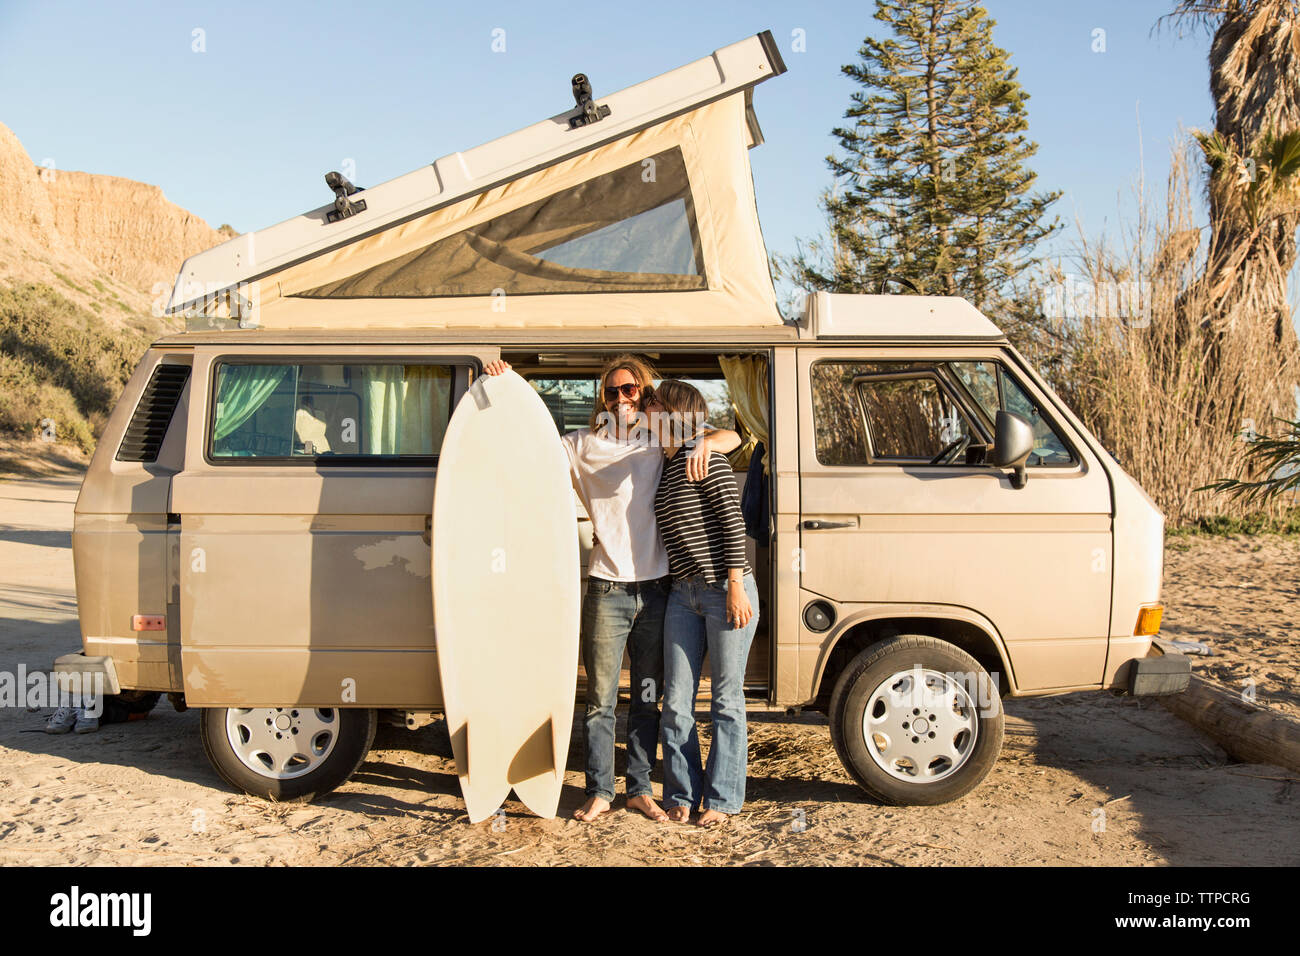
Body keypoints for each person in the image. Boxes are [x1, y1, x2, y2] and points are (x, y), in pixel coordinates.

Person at [483, 356, 739, 823]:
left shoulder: (660, 441)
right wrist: (504, 386)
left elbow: (735, 436)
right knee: (600, 700)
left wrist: (709, 442)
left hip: (662, 588)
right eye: (612, 391)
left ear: (647, 395)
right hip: (607, 587)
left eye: (631, 390)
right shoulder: (581, 445)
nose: (621, 398)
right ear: (602, 399)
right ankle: (600, 789)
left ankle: (640, 789)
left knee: (647, 698)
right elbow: (526, 452)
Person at [647, 380, 759, 827]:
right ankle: (681, 792)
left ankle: (723, 798)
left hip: (725, 590)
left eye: (653, 401)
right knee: (676, 701)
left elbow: (733, 523)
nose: (644, 407)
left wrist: (734, 585)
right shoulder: (666, 461)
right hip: (682, 594)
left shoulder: (704, 459)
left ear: (674, 411)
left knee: (727, 701)